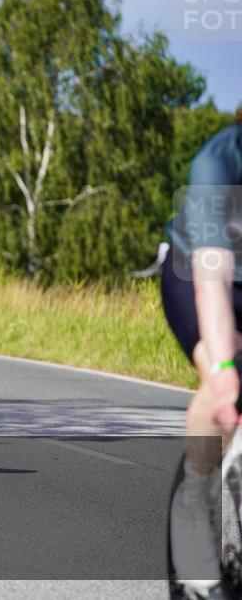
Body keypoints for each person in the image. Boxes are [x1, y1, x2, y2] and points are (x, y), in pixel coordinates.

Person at [163, 121, 242, 599]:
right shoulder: (220, 160)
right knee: (221, 368)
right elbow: (211, 282)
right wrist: (225, 373)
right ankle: (193, 507)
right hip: (198, 272)